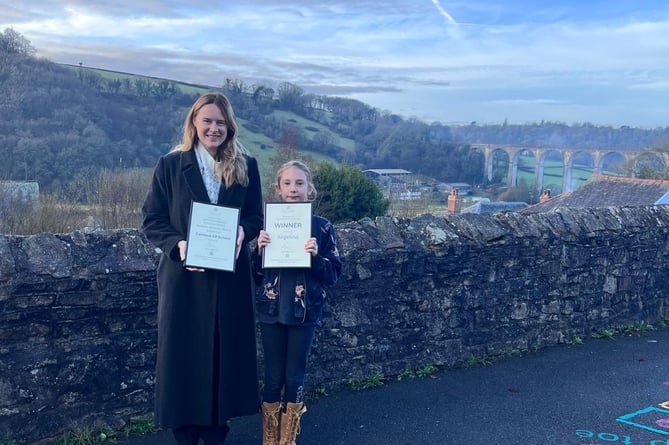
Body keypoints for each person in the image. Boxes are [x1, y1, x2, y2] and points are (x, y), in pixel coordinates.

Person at [141, 92, 263, 445]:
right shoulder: (170, 164)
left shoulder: (247, 166)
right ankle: (185, 433)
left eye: (220, 123)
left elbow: (255, 215)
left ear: (230, 127)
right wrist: (178, 246)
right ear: (193, 122)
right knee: (183, 356)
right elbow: (152, 219)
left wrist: (244, 230)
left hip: (229, 280)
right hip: (183, 279)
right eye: (207, 120)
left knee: (223, 356)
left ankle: (216, 432)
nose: (213, 128)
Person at [252, 160, 342, 445]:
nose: (293, 189)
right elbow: (255, 275)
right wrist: (258, 251)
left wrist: (315, 257)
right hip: (271, 310)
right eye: (287, 183)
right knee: (273, 377)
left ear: (310, 189)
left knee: (295, 377)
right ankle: (270, 438)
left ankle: (287, 439)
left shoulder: (323, 228)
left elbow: (333, 275)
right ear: (278, 188)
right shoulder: (266, 224)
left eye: (299, 183)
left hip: (305, 312)